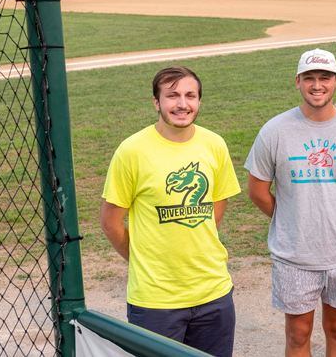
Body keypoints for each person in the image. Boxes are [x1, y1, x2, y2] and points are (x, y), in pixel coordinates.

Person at [245, 48, 336, 357]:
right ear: (298, 81)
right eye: (309, 78)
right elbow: (257, 190)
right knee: (298, 335)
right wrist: (289, 216)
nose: (317, 85)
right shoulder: (275, 130)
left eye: (324, 78)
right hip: (295, 254)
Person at [101, 66, 241, 357]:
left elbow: (217, 202)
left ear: (199, 101)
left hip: (214, 292)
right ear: (156, 102)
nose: (182, 104)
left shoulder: (214, 144)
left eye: (190, 95)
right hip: (156, 301)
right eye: (172, 95)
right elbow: (110, 222)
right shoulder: (132, 151)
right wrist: (143, 260)